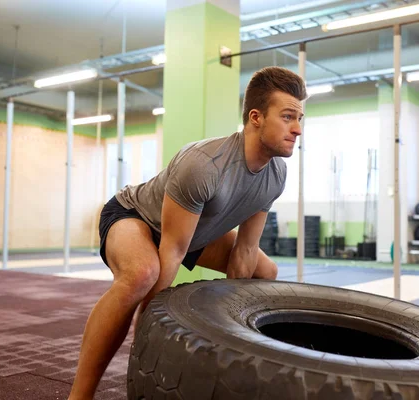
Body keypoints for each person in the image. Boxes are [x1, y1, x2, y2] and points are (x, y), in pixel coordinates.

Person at [68, 66, 307, 400]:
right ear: (256, 117)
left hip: (194, 232)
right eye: (287, 117)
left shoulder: (276, 175)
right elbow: (173, 250)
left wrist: (230, 333)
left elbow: (245, 250)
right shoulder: (204, 164)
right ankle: (80, 395)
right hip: (135, 217)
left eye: (300, 118)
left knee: (264, 271)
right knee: (142, 274)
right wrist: (150, 338)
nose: (297, 129)